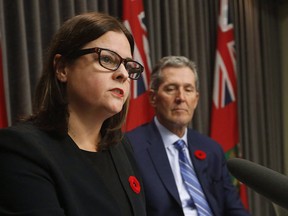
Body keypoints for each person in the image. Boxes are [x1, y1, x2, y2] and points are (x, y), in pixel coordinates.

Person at [0, 12, 147, 216]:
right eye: (107, 58)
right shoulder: (20, 149)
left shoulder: (121, 146)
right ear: (62, 68)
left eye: (128, 65)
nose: (122, 74)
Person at [125, 56, 250, 216]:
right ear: (153, 98)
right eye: (171, 88)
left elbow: (233, 208)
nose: (181, 98)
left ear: (196, 100)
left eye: (188, 89)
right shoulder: (131, 147)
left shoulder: (211, 149)